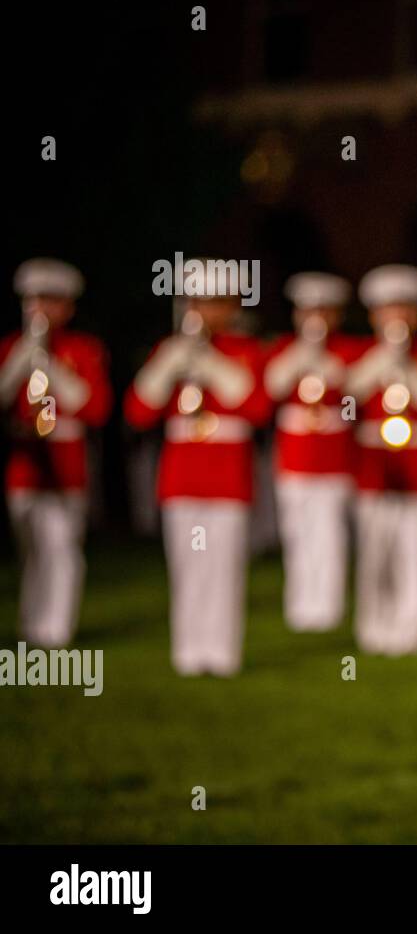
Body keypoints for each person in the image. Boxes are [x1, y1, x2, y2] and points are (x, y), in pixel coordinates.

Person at [124, 263, 270, 676]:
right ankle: (188, 651)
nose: (207, 311)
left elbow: (257, 408)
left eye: (217, 303)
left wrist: (210, 363)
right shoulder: (168, 350)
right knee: (187, 567)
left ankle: (221, 653)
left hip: (227, 479)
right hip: (182, 479)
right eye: (200, 302)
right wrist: (170, 364)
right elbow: (138, 412)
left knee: (223, 568)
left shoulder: (245, 351)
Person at [0, 258, 112, 647]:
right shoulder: (10, 348)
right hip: (25, 463)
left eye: (51, 301)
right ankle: (31, 624)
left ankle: (57, 629)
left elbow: (95, 407)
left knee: (62, 548)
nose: (41, 310)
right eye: (34, 301)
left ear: (68, 307)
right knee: (30, 550)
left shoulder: (83, 349)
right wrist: (22, 358)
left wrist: (50, 363)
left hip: (66, 461)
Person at [346, 264, 417, 656]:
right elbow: (345, 399)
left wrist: (406, 366)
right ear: (374, 315)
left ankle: (414, 631)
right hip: (372, 466)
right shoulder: (359, 356)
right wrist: (381, 362)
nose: (398, 320)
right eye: (389, 310)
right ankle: (374, 630)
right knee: (374, 550)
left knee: (415, 551)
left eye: (406, 310)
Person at [264, 272, 364, 632]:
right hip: (295, 458)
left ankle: (328, 606)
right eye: (308, 311)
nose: (316, 320)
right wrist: (303, 353)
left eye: (324, 311)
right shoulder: (284, 349)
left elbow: (355, 395)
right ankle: (301, 605)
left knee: (330, 534)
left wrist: (326, 363)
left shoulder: (349, 351)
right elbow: (272, 386)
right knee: (297, 531)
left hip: (334, 459)